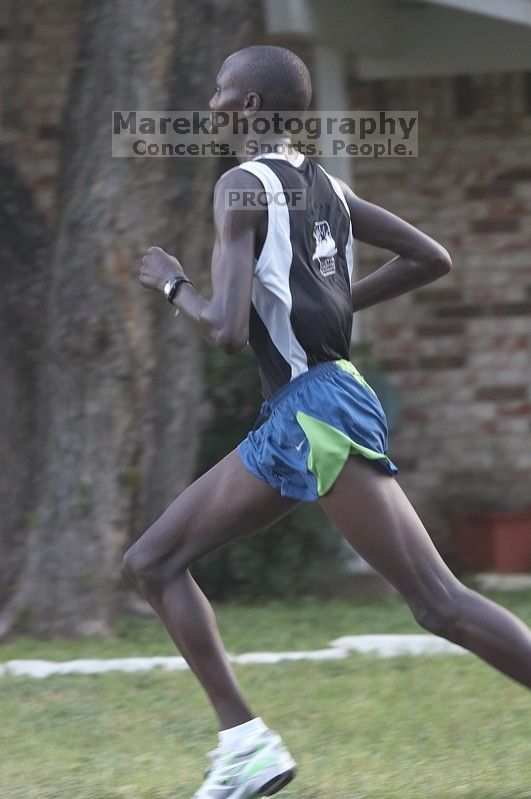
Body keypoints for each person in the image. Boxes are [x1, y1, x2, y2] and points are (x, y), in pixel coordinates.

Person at [124, 45, 531, 799]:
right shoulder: (325, 186)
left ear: (245, 106)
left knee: (438, 603)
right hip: (308, 405)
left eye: (219, 90)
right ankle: (244, 743)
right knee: (153, 561)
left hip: (313, 408)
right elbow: (427, 256)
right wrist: (333, 307)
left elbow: (224, 328)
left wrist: (171, 280)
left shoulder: (240, 187)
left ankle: (244, 743)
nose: (210, 103)